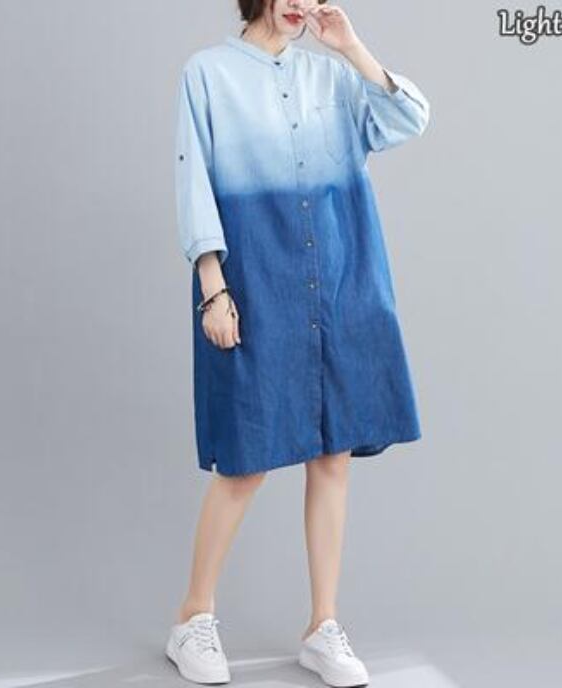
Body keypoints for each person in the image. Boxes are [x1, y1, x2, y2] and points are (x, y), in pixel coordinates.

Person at [166, 1, 430, 685]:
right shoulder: (207, 74)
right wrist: (213, 288)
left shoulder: (335, 76)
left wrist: (352, 48)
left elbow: (407, 119)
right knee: (244, 460)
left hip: (341, 286)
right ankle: (193, 617)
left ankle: (322, 625)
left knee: (333, 455)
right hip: (257, 285)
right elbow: (194, 184)